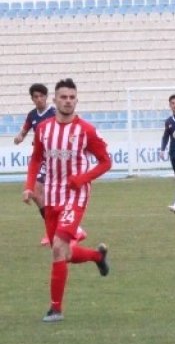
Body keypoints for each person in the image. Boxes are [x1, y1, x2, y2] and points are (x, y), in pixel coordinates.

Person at [23, 79, 112, 323]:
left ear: (76, 100)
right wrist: (29, 187)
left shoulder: (86, 130)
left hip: (76, 195)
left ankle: (55, 309)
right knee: (63, 253)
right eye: (63, 97)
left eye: (72, 97)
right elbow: (36, 159)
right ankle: (97, 257)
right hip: (51, 195)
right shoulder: (44, 129)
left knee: (58, 248)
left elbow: (106, 162)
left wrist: (82, 178)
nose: (68, 101)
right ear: (55, 100)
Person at [13, 83, 87, 246]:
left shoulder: (55, 112)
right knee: (38, 194)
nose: (39, 99)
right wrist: (19, 137)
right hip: (42, 158)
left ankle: (67, 230)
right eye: (35, 97)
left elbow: (73, 122)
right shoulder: (32, 115)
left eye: (41, 96)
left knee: (45, 192)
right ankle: (56, 230)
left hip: (56, 159)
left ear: (47, 97)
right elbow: (24, 131)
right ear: (32, 99)